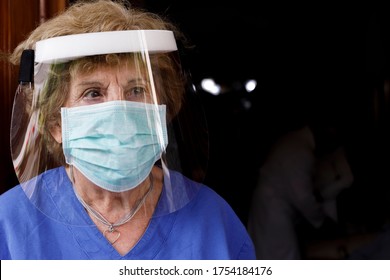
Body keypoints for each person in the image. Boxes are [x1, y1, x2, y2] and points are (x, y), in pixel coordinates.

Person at [0, 0, 255, 260]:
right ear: (56, 124)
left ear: (162, 110)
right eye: (93, 93)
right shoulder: (9, 222)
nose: (119, 113)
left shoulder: (213, 219)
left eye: (136, 90)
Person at [247, 121, 354, 259]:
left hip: (269, 209)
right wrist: (322, 220)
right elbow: (303, 198)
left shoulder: (295, 142)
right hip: (274, 213)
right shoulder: (300, 151)